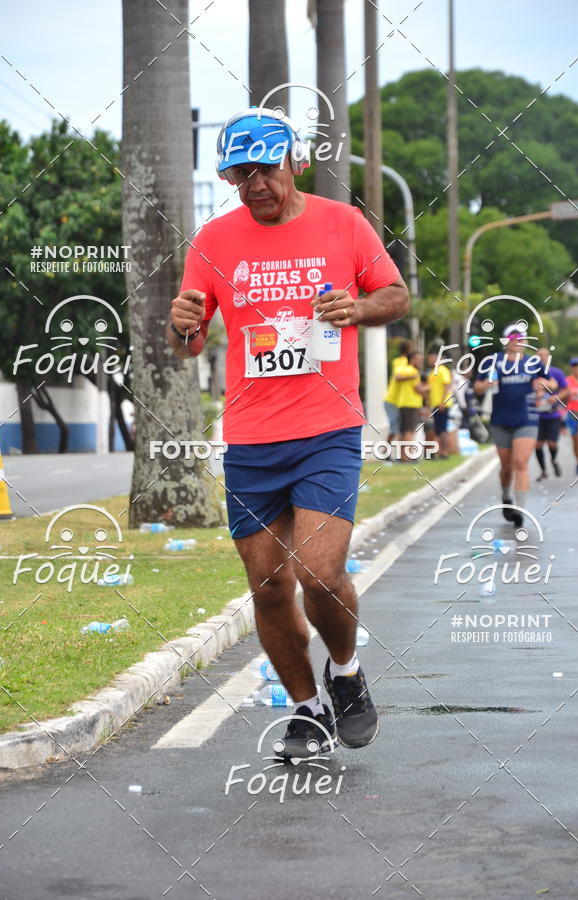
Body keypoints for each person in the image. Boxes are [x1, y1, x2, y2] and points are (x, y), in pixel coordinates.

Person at [167, 108, 409, 759]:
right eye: (238, 174)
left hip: (327, 429)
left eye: (264, 170)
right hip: (251, 439)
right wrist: (182, 324)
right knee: (270, 586)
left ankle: (346, 673)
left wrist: (358, 306)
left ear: (293, 163)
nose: (254, 185)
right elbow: (189, 343)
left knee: (320, 573)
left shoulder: (343, 222)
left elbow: (395, 295)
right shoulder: (213, 240)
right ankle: (307, 711)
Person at [474, 323, 556, 528]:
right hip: (501, 420)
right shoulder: (493, 361)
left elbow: (553, 383)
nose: (517, 341)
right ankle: (506, 496)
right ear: (506, 341)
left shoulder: (533, 362)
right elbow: (477, 386)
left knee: (520, 463)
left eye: (521, 338)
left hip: (527, 418)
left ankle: (520, 510)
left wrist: (544, 384)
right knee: (507, 468)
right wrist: (487, 384)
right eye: (513, 337)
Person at [534, 348, 569, 480]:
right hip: (537, 415)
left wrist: (555, 398)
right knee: (538, 444)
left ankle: (554, 460)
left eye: (545, 355)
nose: (542, 357)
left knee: (551, 443)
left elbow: (567, 390)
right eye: (539, 355)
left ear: (549, 357)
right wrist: (536, 395)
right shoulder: (531, 372)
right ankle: (543, 471)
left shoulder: (556, 372)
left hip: (553, 414)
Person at [394, 350, 428, 460]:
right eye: (419, 360)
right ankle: (407, 458)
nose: (421, 362)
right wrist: (428, 389)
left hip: (403, 404)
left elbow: (397, 377)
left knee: (403, 431)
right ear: (412, 360)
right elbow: (418, 389)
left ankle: (402, 457)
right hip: (411, 404)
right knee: (410, 431)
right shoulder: (413, 371)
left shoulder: (405, 369)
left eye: (422, 360)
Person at [425, 347, 453, 459]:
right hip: (435, 404)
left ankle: (444, 452)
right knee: (437, 429)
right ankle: (438, 452)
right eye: (429, 358)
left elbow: (447, 386)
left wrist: (443, 402)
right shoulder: (432, 372)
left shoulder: (442, 370)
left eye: (433, 358)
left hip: (442, 405)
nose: (431, 360)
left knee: (442, 429)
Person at [384, 339, 412, 443]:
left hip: (399, 401)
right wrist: (412, 376)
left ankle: (397, 451)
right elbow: (398, 376)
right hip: (392, 400)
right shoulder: (402, 361)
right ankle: (384, 450)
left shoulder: (401, 361)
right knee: (394, 428)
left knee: (400, 429)